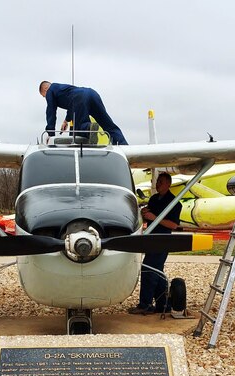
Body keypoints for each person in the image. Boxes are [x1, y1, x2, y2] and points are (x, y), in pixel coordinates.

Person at [129, 172, 183, 315]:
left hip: (163, 240)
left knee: (148, 270)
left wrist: (155, 217)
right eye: (157, 181)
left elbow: (173, 225)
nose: (158, 184)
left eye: (161, 182)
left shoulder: (174, 203)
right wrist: (144, 214)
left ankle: (145, 304)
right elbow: (149, 219)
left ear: (168, 184)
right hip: (151, 239)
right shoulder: (153, 199)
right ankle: (163, 304)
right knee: (157, 271)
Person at [38, 81, 129, 145]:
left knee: (79, 128)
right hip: (92, 94)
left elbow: (51, 111)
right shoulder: (63, 89)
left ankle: (89, 128)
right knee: (108, 125)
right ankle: (124, 146)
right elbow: (72, 106)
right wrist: (66, 121)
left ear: (45, 89)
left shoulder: (50, 90)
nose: (45, 98)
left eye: (43, 96)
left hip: (80, 98)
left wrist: (51, 134)